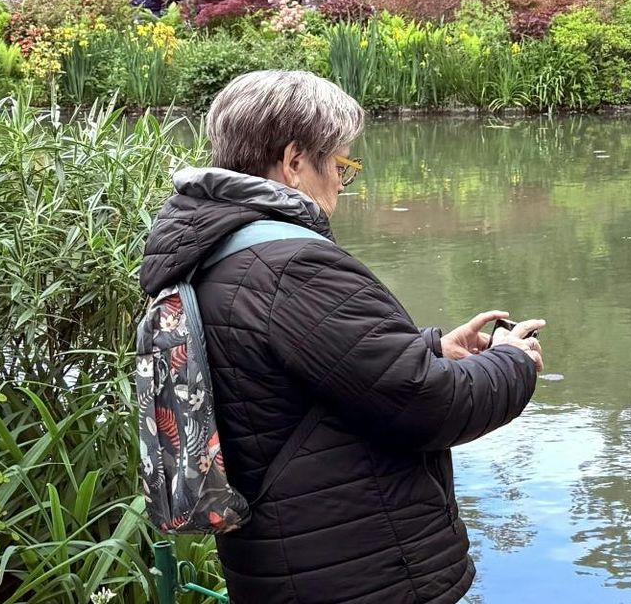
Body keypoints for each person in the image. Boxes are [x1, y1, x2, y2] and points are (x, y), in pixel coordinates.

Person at [141, 71, 544, 604]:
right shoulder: (292, 265)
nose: (341, 182)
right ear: (294, 161)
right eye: (341, 164)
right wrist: (512, 363)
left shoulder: (213, 249)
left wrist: (431, 349)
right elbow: (428, 404)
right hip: (360, 571)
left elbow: (303, 375)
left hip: (281, 558)